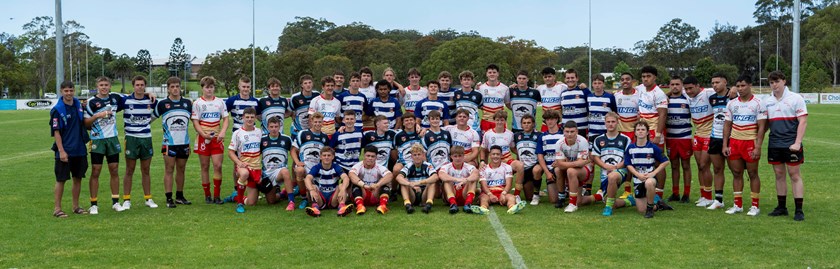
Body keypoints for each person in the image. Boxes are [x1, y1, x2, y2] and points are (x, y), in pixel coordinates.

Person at [762, 71, 807, 221]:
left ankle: (799, 210)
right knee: (779, 175)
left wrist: (797, 142)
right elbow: (766, 124)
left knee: (794, 175)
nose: (774, 85)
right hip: (774, 143)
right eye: (771, 82)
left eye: (776, 81)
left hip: (791, 144)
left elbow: (803, 121)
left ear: (784, 81)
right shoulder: (767, 101)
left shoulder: (796, 98)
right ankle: (782, 207)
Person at [721, 75, 766, 216]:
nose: (740, 89)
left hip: (750, 142)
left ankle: (755, 206)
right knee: (736, 173)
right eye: (738, 86)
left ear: (750, 85)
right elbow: (727, 125)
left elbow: (762, 127)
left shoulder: (759, 103)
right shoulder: (732, 104)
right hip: (734, 142)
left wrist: (758, 147)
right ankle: (737, 205)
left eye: (743, 85)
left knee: (753, 173)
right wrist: (725, 145)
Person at [84, 76, 125, 214]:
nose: (104, 87)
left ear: (110, 86)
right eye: (101, 85)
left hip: (112, 139)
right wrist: (97, 116)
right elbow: (85, 123)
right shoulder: (91, 102)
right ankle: (94, 204)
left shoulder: (115, 98)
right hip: (97, 140)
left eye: (106, 85)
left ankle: (115, 202)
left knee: (114, 169)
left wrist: (149, 94)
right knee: (96, 170)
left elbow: (133, 96)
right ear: (97, 86)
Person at [51, 81, 90, 217]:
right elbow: (56, 132)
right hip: (65, 150)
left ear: (74, 91)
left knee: (78, 178)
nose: (69, 93)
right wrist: (61, 151)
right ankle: (57, 209)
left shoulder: (78, 105)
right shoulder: (57, 110)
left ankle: (75, 206)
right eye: (66, 91)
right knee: (61, 179)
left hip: (79, 149)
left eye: (71, 90)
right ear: (61, 91)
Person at [119, 75, 158, 209]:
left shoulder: (151, 100)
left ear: (145, 86)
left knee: (145, 170)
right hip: (131, 138)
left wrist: (147, 121)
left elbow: (158, 111)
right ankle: (126, 200)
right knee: (130, 169)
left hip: (146, 138)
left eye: (142, 85)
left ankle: (148, 198)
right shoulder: (125, 100)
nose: (140, 87)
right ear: (133, 86)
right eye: (137, 85)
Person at [154, 77, 193, 208]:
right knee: (169, 169)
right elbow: (150, 119)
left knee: (181, 169)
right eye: (172, 87)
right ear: (168, 88)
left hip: (184, 143)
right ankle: (169, 198)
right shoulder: (162, 104)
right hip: (169, 143)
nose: (175, 89)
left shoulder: (188, 103)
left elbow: (196, 121)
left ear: (180, 87)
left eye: (177, 86)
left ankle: (180, 196)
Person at [192, 76, 230, 205]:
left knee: (217, 166)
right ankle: (207, 195)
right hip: (203, 139)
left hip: (217, 138)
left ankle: (217, 195)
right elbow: (195, 121)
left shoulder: (220, 102)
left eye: (211, 87)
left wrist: (223, 132)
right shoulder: (198, 103)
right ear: (202, 88)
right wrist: (203, 134)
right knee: (205, 166)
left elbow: (225, 118)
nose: (209, 89)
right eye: (207, 87)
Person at [625, 121, 672, 218]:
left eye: (643, 130)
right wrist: (637, 175)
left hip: (650, 178)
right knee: (641, 210)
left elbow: (665, 161)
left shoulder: (653, 147)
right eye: (638, 130)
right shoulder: (630, 148)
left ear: (647, 132)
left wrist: (653, 173)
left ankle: (650, 209)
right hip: (638, 180)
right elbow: (628, 164)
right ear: (635, 132)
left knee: (649, 183)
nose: (640, 132)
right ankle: (658, 205)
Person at [636, 66, 669, 202]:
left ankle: (659, 194)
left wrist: (657, 134)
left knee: (658, 161)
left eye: (648, 76)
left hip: (655, 132)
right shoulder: (641, 89)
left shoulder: (659, 93)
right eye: (643, 76)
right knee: (645, 159)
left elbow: (662, 115)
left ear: (655, 77)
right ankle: (646, 190)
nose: (645, 79)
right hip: (643, 132)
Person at [683, 76, 717, 207]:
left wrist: (733, 89)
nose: (689, 91)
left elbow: (726, 91)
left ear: (698, 85)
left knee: (704, 165)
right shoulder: (687, 96)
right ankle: (703, 195)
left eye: (691, 88)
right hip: (697, 135)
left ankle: (709, 196)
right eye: (686, 89)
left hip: (710, 135)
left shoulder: (708, 93)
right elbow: (676, 91)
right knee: (699, 166)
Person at [591, 112, 633, 216]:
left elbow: (628, 158)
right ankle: (629, 201)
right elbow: (595, 157)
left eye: (613, 122)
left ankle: (608, 208)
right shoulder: (599, 139)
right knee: (606, 199)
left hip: (621, 171)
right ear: (605, 123)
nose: (610, 124)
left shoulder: (625, 139)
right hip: (605, 172)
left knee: (613, 176)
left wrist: (616, 167)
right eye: (608, 122)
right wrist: (605, 166)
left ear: (618, 122)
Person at [470, 146, 527, 215]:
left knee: (511, 197)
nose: (495, 156)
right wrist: (490, 195)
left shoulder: (507, 167)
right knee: (483, 198)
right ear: (490, 156)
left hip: (502, 192)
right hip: (488, 192)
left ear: (501, 155)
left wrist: (503, 194)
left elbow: (509, 184)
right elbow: (483, 185)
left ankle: (512, 208)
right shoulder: (484, 168)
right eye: (493, 154)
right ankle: (483, 208)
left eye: (498, 154)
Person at [552, 121, 594, 213]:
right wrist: (575, 163)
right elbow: (561, 164)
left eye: (572, 132)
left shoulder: (582, 141)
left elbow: (580, 164)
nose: (569, 134)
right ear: (563, 132)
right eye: (567, 131)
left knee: (571, 171)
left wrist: (566, 163)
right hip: (571, 169)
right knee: (558, 170)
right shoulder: (559, 143)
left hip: (584, 171)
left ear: (577, 132)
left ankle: (572, 204)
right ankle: (562, 197)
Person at [227, 107, 263, 213]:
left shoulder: (259, 132)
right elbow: (230, 152)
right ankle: (239, 204)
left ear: (255, 118)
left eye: (252, 117)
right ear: (243, 117)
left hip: (256, 168)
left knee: (252, 202)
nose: (249, 119)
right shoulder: (237, 133)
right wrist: (239, 163)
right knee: (244, 174)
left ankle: (235, 197)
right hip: (243, 167)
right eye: (247, 117)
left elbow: (261, 149)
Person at [292, 112, 330, 209]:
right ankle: (303, 197)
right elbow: (293, 150)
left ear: (323, 123)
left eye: (320, 122)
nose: (317, 124)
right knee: (300, 171)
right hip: (304, 166)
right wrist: (297, 162)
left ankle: (304, 192)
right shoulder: (303, 133)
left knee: (314, 196)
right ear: (311, 122)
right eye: (315, 122)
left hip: (316, 169)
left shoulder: (325, 137)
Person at [706, 72, 733, 210]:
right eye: (713, 83)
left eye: (717, 82)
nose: (715, 85)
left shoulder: (734, 96)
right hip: (715, 137)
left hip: (732, 138)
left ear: (725, 82)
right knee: (717, 168)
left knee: (736, 170)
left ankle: (738, 201)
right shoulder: (712, 99)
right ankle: (718, 200)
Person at [303, 147, 353, 217]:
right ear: (320, 157)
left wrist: (343, 190)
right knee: (313, 186)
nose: (326, 157)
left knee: (341, 186)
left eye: (329, 155)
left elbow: (345, 178)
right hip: (320, 198)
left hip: (333, 199)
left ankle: (342, 207)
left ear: (333, 157)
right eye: (324, 155)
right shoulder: (316, 167)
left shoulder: (336, 167)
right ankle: (315, 208)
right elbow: (307, 178)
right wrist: (311, 190)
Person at [665, 76, 693, 203]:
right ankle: (675, 193)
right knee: (674, 166)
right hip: (670, 138)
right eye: (672, 84)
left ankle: (686, 194)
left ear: (682, 85)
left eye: (677, 84)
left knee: (686, 165)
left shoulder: (688, 99)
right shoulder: (665, 100)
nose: (675, 86)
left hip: (684, 137)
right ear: (669, 86)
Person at [261, 117, 294, 210]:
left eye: (276, 126)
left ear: (280, 127)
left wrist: (298, 162)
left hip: (279, 172)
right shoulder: (262, 140)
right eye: (271, 127)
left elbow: (293, 151)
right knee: (271, 201)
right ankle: (282, 194)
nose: (274, 129)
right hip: (267, 174)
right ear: (267, 127)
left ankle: (291, 202)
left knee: (285, 171)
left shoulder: (286, 139)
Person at [348, 146, 394, 215]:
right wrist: (364, 185)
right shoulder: (358, 166)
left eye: (373, 156)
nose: (370, 158)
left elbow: (390, 175)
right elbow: (351, 175)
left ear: (376, 157)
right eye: (368, 156)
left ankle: (382, 206)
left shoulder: (379, 167)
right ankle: (360, 206)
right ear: (364, 156)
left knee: (386, 183)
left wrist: (377, 185)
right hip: (362, 193)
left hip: (375, 193)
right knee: (355, 184)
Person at [395, 144, 439, 214]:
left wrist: (419, 183)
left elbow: (435, 177)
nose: (417, 157)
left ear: (423, 155)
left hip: (424, 194)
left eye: (419, 154)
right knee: (404, 181)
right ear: (411, 156)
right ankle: (407, 205)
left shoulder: (428, 165)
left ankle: (428, 204)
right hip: (412, 194)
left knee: (432, 182)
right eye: (415, 155)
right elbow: (398, 177)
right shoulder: (408, 166)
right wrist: (410, 184)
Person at [512, 114, 543, 205]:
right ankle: (533, 189)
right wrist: (518, 153)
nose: (526, 125)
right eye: (524, 123)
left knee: (537, 170)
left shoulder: (539, 135)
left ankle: (536, 195)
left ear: (533, 124)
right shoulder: (516, 135)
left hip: (534, 166)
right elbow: (512, 147)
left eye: (529, 123)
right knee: (528, 197)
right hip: (523, 169)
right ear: (521, 125)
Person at [537, 110, 566, 208]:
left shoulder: (563, 135)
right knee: (553, 200)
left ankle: (565, 189)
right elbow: (540, 156)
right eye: (547, 119)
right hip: (550, 171)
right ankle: (563, 191)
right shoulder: (542, 136)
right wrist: (547, 173)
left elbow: (569, 152)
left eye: (552, 119)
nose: (550, 122)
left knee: (558, 170)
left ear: (557, 120)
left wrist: (561, 162)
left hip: (562, 169)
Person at [438, 146, 479, 214]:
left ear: (463, 156)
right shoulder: (447, 166)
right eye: (455, 156)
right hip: (451, 193)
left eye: (460, 156)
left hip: (464, 193)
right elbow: (441, 175)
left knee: (472, 180)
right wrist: (457, 180)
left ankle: (467, 204)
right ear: (451, 157)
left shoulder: (468, 166)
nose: (458, 158)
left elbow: (476, 174)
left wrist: (465, 180)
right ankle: (453, 204)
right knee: (447, 181)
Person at [476, 64, 510, 132]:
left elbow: (508, 104)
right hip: (486, 121)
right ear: (486, 74)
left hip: (500, 121)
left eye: (494, 72)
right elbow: (478, 105)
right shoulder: (481, 88)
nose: (492, 74)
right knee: (485, 141)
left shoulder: (505, 88)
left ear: (498, 74)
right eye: (490, 72)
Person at [560, 69, 592, 137]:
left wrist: (586, 89)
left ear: (577, 78)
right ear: (565, 79)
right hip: (567, 130)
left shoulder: (584, 91)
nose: (570, 80)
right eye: (568, 78)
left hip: (581, 129)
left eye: (572, 78)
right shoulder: (563, 94)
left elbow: (591, 107)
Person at [586, 74, 617, 143]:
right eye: (595, 83)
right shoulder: (589, 97)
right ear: (592, 85)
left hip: (605, 132)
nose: (597, 85)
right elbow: (588, 113)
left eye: (599, 83)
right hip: (592, 133)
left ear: (603, 84)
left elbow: (615, 113)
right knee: (592, 153)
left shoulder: (610, 97)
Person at [536, 67, 567, 132]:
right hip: (545, 123)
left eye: (549, 76)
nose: (547, 78)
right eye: (545, 77)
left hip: (558, 122)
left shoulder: (562, 87)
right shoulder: (540, 88)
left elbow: (573, 88)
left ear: (554, 77)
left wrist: (582, 86)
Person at [289, 74, 320, 140]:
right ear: (302, 85)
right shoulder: (295, 97)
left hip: (312, 130)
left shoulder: (317, 95)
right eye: (305, 83)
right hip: (297, 131)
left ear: (312, 84)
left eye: (309, 82)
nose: (308, 85)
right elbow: (290, 111)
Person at [392, 114, 422, 179]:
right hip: (403, 162)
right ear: (403, 123)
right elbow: (394, 150)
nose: (409, 122)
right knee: (396, 170)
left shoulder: (421, 132)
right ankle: (394, 189)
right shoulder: (398, 135)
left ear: (415, 121)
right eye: (406, 120)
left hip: (418, 160)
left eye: (411, 120)